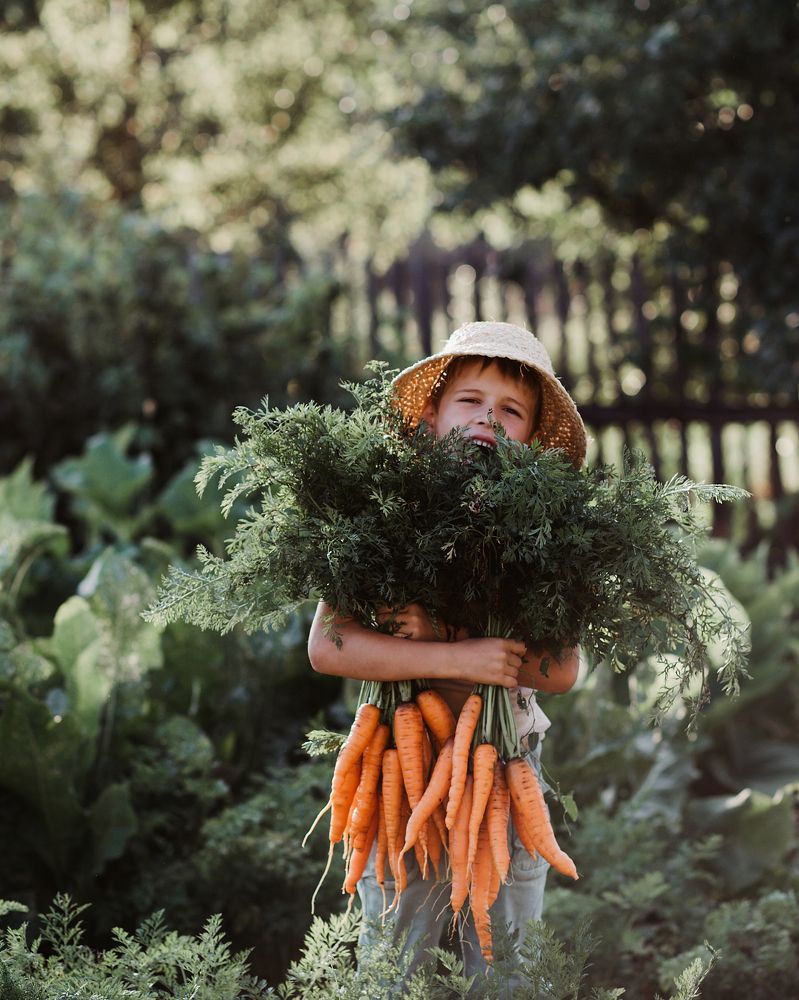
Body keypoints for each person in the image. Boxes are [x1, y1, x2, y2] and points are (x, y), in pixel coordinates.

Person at [307, 320, 586, 979]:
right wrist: (452, 658)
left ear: (530, 438)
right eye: (469, 400)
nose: (488, 417)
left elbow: (561, 670)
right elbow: (327, 645)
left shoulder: (548, 531)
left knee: (504, 968)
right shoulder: (377, 511)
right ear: (430, 414)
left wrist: (459, 644)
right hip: (397, 775)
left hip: (504, 771)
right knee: (393, 970)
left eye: (511, 410)